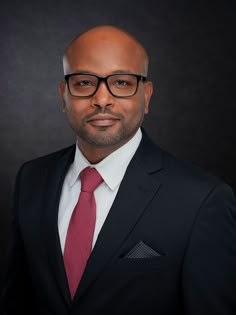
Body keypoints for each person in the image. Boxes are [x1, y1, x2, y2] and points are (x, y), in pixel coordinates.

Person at [1, 25, 236, 315]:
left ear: (146, 95)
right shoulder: (31, 179)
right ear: (64, 95)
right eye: (84, 82)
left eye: (122, 82)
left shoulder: (202, 201)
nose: (102, 99)